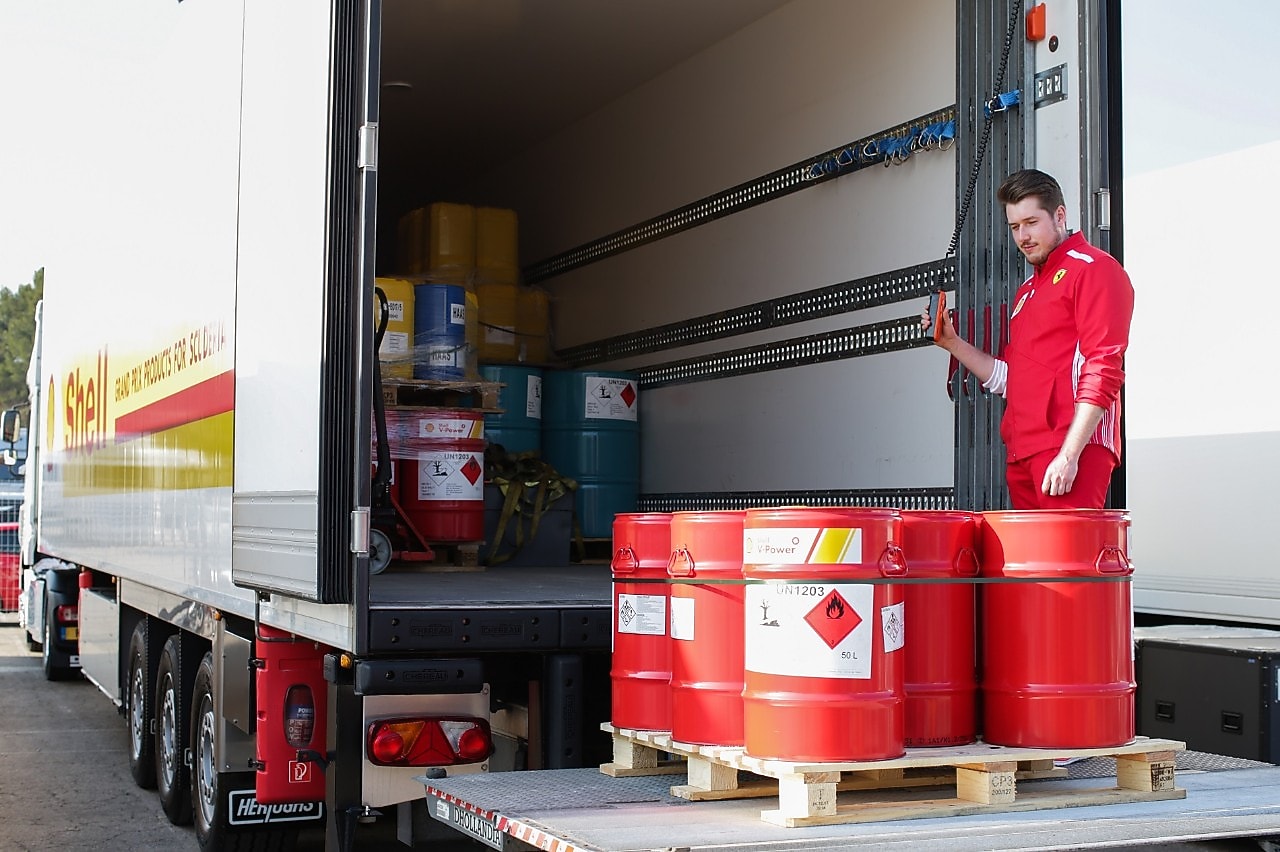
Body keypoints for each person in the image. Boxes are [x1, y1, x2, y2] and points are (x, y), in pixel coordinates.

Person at [924, 169, 1134, 509]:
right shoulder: (1028, 290)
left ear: (1060, 215)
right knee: (1033, 564)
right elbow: (1012, 379)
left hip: (1070, 449)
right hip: (1023, 454)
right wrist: (952, 342)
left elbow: (1103, 366)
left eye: (1032, 222)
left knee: (1064, 561)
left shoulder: (1094, 268)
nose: (1023, 236)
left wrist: (1069, 454)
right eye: (1014, 227)